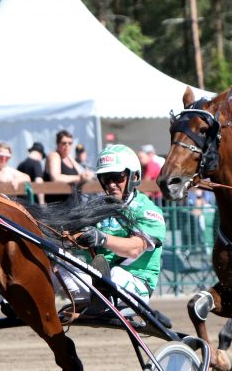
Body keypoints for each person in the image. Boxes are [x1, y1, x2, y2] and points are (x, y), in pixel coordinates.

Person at [72, 143, 166, 305]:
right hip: (99, 282)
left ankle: (99, 302)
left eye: (117, 177)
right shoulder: (96, 208)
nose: (111, 184)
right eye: (105, 179)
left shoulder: (149, 210)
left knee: (116, 274)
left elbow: (134, 249)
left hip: (135, 285)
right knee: (58, 268)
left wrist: (102, 238)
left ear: (134, 177)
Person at [44, 130, 92, 200]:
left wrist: (86, 175)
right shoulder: (54, 155)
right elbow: (56, 178)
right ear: (57, 144)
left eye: (70, 143)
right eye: (64, 143)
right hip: (59, 206)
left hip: (74, 204)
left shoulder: (69, 157)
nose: (67, 145)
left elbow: (81, 173)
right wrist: (79, 178)